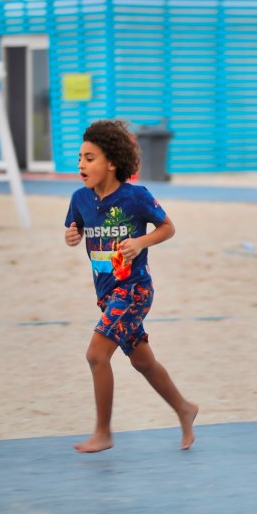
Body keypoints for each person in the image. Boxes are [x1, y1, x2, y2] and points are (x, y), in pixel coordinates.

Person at [64, 120, 197, 453]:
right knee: (142, 362)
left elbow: (167, 227)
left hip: (134, 290)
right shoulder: (80, 199)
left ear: (111, 162)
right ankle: (184, 408)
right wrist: (72, 236)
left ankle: (103, 432)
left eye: (90, 158)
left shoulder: (136, 197)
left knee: (96, 355)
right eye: (80, 158)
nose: (81, 165)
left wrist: (140, 242)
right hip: (107, 295)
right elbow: (75, 228)